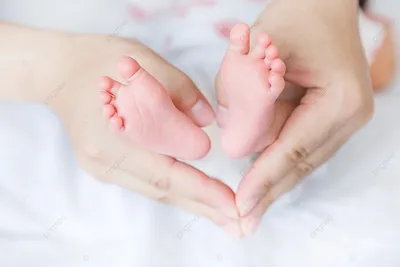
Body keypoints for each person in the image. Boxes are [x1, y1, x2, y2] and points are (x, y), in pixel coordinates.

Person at [0, 0, 394, 237]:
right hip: (245, 32)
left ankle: (195, 124)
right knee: (280, 82)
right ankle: (252, 120)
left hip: (116, 39)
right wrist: (55, 69)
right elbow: (381, 62)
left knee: (159, 82)